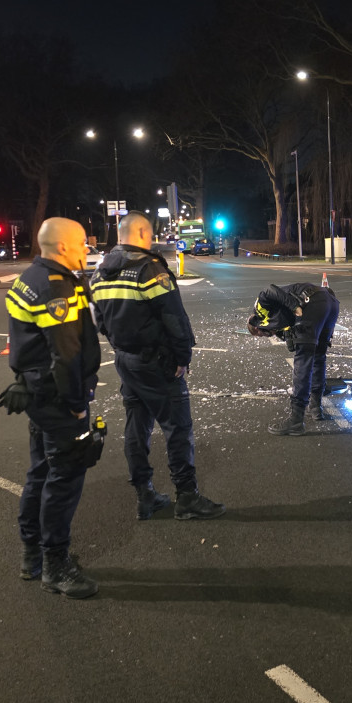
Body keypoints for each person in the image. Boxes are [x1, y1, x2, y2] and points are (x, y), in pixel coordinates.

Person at [90, 214, 225, 521]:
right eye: (149, 235)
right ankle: (187, 496)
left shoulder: (99, 273)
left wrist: (121, 346)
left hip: (126, 361)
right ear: (139, 233)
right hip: (157, 363)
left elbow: (99, 321)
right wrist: (181, 358)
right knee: (177, 427)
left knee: (136, 427)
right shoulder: (149, 270)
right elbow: (174, 318)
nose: (151, 241)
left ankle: (144, 494)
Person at [4, 217, 101, 599]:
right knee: (64, 478)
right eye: (80, 243)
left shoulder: (31, 277)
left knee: (41, 472)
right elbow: (66, 354)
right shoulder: (54, 287)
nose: (85, 249)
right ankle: (55, 564)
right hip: (58, 399)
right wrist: (78, 407)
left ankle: (32, 555)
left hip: (37, 394)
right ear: (61, 247)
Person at [247, 281, 340, 434]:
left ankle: (296, 420)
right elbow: (289, 330)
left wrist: (293, 306)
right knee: (318, 356)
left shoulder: (260, 308)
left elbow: (268, 289)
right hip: (329, 303)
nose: (267, 335)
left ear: (256, 327)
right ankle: (316, 407)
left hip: (310, 303)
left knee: (303, 359)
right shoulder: (276, 318)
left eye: (262, 334)